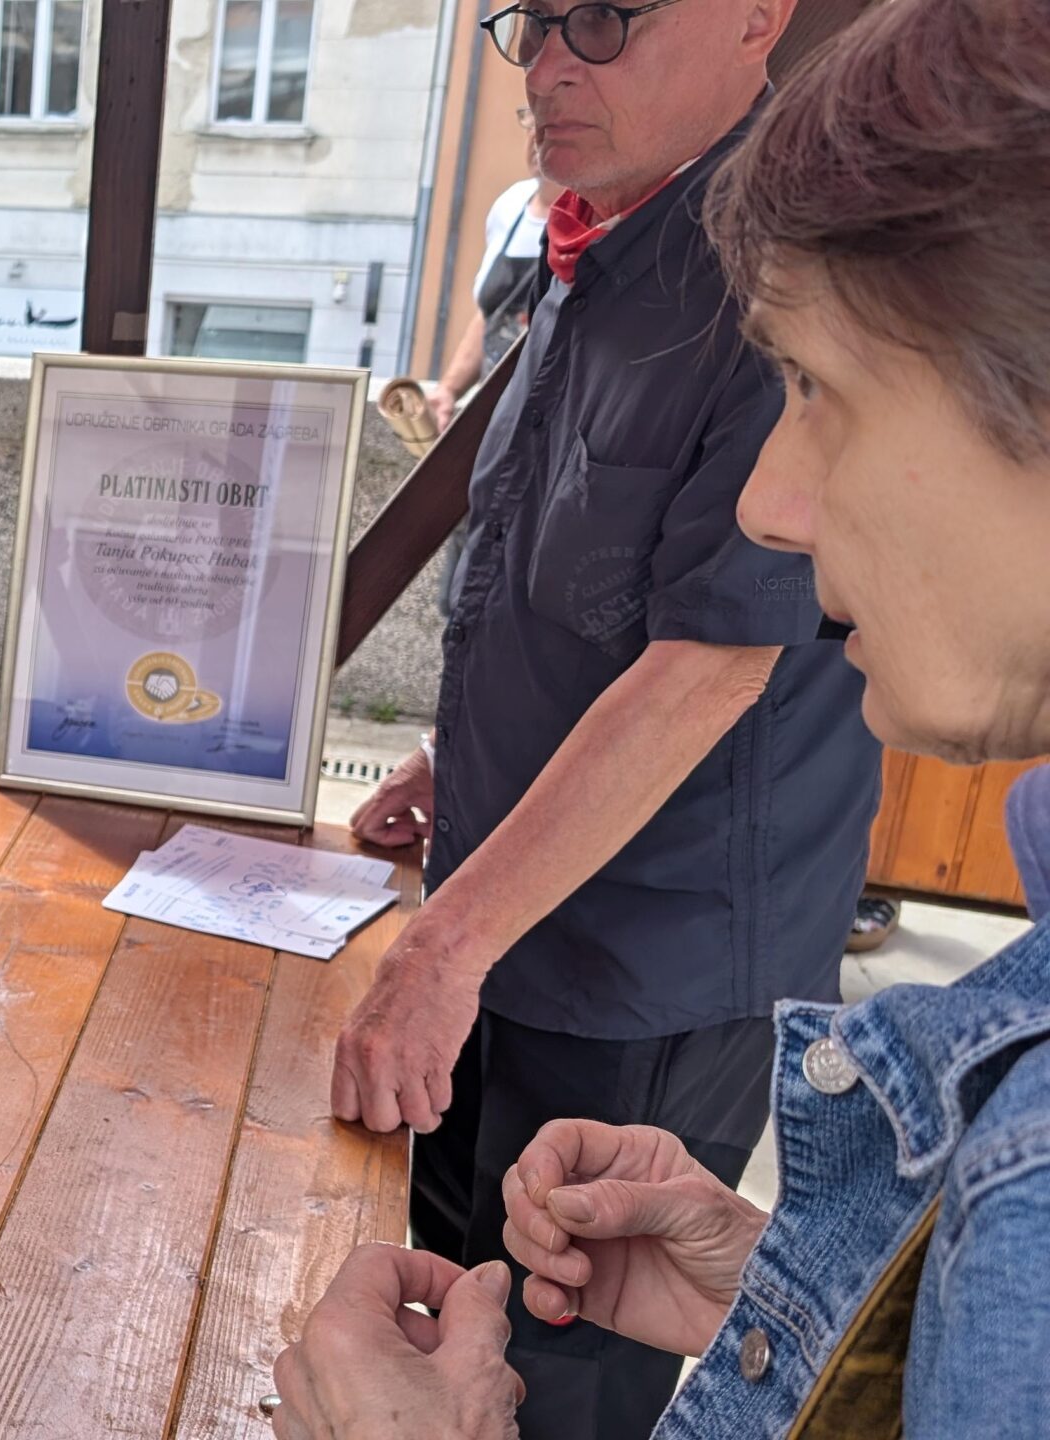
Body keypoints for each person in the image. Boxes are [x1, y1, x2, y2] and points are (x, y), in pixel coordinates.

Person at [275, 0, 1050, 1433]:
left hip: (649, 952)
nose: (550, 65)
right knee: (463, 1275)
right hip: (514, 913)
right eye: (530, 25)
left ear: (758, 18)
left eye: (604, 19)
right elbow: (565, 582)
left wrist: (440, 946)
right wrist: (786, 1284)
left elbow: (710, 659)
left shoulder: (782, 258)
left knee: (554, 1373)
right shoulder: (592, 243)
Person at [427, 112, 553, 436]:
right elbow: (491, 315)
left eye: (551, 124)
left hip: (546, 422)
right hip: (495, 419)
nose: (538, 138)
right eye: (532, 123)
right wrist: (449, 389)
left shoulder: (594, 218)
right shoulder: (510, 206)